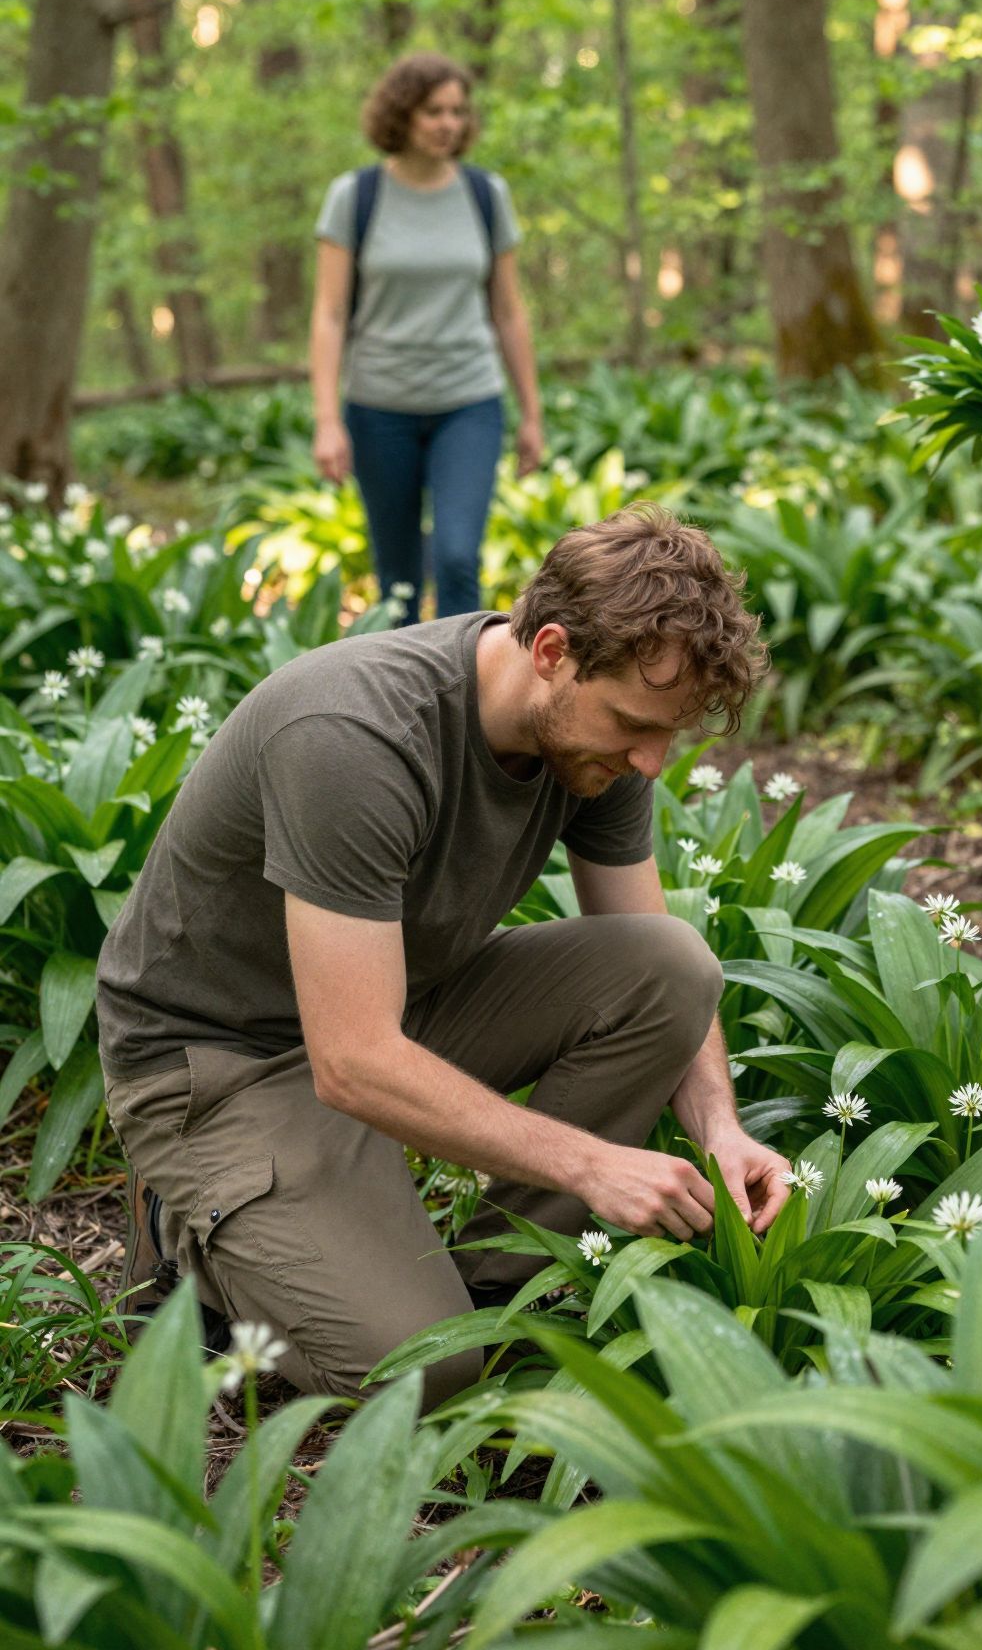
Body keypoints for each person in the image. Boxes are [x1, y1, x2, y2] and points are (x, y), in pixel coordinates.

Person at [99, 509, 788, 1409]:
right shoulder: (354, 736)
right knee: (421, 1371)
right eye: (633, 724)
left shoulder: (597, 744)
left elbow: (658, 965)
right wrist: (590, 1165)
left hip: (389, 1010)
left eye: (670, 734)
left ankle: (496, 1279)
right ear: (550, 650)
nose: (652, 761)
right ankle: (189, 1230)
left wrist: (720, 1128)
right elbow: (352, 1064)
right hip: (220, 1066)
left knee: (671, 965)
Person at [309, 51, 544, 626]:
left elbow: (508, 312)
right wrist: (326, 419)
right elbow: (330, 313)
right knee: (399, 581)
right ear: (401, 116)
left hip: (468, 403)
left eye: (458, 112)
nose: (448, 124)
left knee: (460, 558)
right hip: (379, 408)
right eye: (433, 111)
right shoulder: (356, 196)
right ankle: (406, 707)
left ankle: (466, 701)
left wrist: (532, 413)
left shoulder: (486, 195)